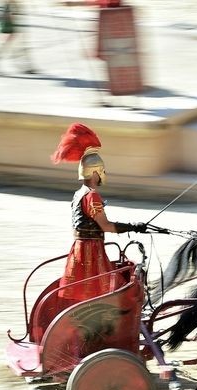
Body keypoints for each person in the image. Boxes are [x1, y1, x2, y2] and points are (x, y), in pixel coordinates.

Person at [51, 123, 147, 305]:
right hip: (91, 250)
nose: (104, 174)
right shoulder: (92, 195)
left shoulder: (79, 193)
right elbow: (106, 226)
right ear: (95, 171)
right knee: (102, 291)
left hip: (81, 247)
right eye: (102, 170)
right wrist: (133, 227)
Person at [0, 1, 35, 74]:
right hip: (8, 25)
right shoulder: (8, 4)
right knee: (0, 45)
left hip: (12, 24)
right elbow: (5, 13)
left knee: (17, 46)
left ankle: (24, 66)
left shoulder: (12, 3)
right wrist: (8, 27)